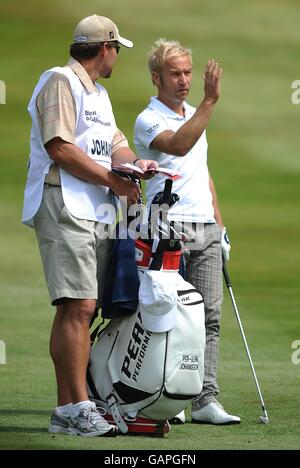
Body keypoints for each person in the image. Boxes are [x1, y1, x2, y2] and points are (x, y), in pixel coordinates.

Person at [22, 14, 157, 437]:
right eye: (117, 49)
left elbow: (114, 144)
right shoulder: (60, 81)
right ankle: (79, 407)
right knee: (78, 306)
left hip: (92, 210)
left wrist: (136, 164)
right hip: (64, 203)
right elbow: (60, 147)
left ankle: (67, 408)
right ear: (105, 48)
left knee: (76, 308)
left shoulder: (98, 93)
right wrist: (113, 181)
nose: (117, 56)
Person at [134, 39, 240, 425]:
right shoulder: (149, 119)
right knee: (170, 316)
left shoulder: (196, 113)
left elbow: (202, 172)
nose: (184, 81)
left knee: (209, 316)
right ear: (156, 77)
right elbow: (178, 146)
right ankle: (167, 398)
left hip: (206, 227)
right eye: (175, 74)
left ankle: (205, 399)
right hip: (167, 227)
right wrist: (211, 103)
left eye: (188, 73)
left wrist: (221, 224)